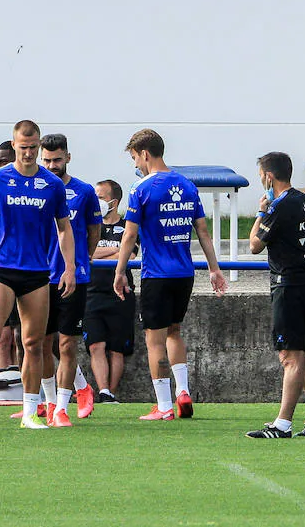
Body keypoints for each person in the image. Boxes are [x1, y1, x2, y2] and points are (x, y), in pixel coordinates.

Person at [0, 120, 75, 430]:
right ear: (14, 145)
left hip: (37, 272)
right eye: (23, 147)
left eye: (33, 148)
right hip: (1, 269)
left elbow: (64, 228)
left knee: (34, 343)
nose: (28, 153)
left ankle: (30, 412)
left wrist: (68, 267)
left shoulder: (52, 185)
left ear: (39, 147)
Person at [113, 129, 229, 421]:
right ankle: (183, 391)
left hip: (157, 275)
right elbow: (202, 231)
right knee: (174, 332)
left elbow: (129, 236)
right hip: (184, 274)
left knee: (155, 340)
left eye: (135, 158)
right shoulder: (187, 185)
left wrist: (119, 271)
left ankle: (164, 406)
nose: (136, 165)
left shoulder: (141, 189)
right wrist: (214, 269)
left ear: (145, 154)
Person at [245, 152, 305, 438]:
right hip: (301, 282)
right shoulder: (303, 200)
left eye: (261, 175)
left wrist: (261, 212)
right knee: (301, 353)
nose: (261, 180)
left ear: (269, 176)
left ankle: (282, 423)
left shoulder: (280, 206)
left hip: (288, 286)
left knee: (289, 356)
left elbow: (254, 246)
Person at [38, 134, 101, 426]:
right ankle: (52, 402)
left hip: (72, 277)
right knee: (40, 344)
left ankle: (61, 408)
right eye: (47, 160)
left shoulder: (84, 191)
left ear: (68, 157)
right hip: (38, 277)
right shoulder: (34, 190)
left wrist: (78, 263)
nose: (52, 166)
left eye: (57, 160)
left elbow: (93, 231)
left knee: (67, 345)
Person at [84, 179, 135, 404]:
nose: (97, 202)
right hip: (91, 293)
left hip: (121, 294)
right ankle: (102, 389)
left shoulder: (129, 225)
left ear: (114, 201)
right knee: (96, 344)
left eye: (101, 198)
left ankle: (109, 394)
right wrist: (116, 249)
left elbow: (130, 254)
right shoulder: (90, 226)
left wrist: (103, 252)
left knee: (117, 348)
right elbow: (87, 254)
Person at [0, 140, 24, 374]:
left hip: (27, 273)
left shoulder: (34, 191)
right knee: (0, 336)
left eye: (4, 161)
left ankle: (25, 389)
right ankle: (4, 385)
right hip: (0, 273)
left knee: (22, 337)